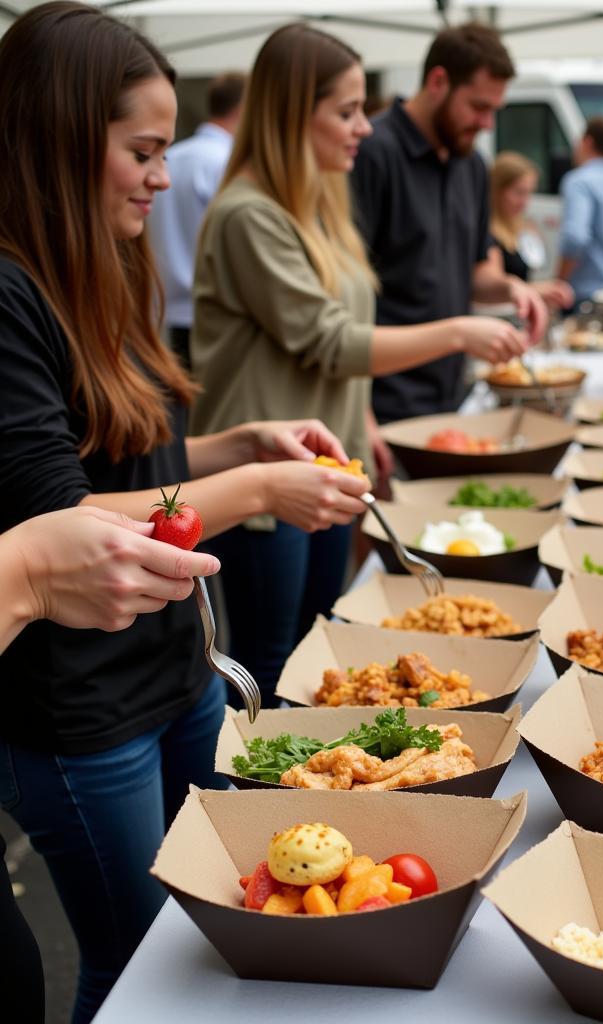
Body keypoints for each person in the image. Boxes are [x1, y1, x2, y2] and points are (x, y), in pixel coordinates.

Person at [0, 5, 369, 1021]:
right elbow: (60, 514)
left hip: (175, 672)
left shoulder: (103, 266)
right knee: (139, 974)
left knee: (206, 944)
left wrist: (235, 445)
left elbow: (138, 464)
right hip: (81, 710)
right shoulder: (9, 291)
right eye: (144, 151)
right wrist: (251, 492)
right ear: (61, 139)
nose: (164, 177)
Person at [190, 23, 530, 707]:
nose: (364, 128)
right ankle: (258, 809)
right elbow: (332, 340)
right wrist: (459, 332)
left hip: (326, 466)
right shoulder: (248, 216)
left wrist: (360, 424)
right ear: (292, 114)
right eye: (345, 112)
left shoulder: (318, 206)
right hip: (264, 481)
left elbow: (342, 348)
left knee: (318, 651)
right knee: (269, 664)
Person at [0, 506, 220, 1024]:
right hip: (78, 707)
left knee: (198, 917)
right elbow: (53, 495)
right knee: (131, 964)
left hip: (177, 674)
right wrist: (29, 569)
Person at [350, 22, 548, 424]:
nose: (487, 124)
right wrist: (361, 413)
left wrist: (512, 287)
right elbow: (345, 300)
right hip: (386, 401)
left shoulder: (472, 166)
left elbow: (475, 272)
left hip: (452, 395)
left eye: (494, 110)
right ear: (438, 81)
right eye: (478, 107)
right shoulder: (371, 153)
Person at [147, 71, 246, 369]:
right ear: (244, 108)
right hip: (213, 312)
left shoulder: (173, 156)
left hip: (168, 308)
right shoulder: (227, 163)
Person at [556, 115, 603, 304]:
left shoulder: (579, 181)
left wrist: (560, 281)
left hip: (589, 296)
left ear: (587, 142)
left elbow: (575, 237)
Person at [489, 150, 574, 308]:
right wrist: (541, 290)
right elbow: (493, 287)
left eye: (529, 193)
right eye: (518, 193)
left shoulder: (522, 227)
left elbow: (534, 271)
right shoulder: (488, 233)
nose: (524, 202)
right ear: (497, 190)